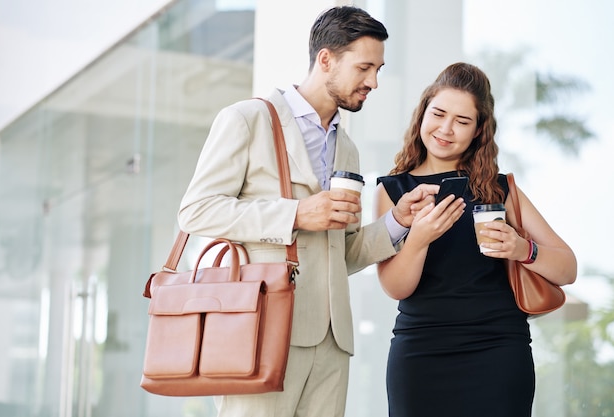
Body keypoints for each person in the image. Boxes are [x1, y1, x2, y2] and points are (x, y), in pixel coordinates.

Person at [177, 6, 433, 417]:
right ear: (326, 59)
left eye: (379, 69)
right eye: (365, 67)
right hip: (260, 332)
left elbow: (341, 253)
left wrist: (396, 221)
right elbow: (196, 210)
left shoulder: (346, 146)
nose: (374, 82)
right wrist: (295, 214)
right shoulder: (248, 119)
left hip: (332, 344)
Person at [373, 62, 577, 417]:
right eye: (438, 114)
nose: (446, 129)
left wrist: (521, 248)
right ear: (422, 113)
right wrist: (420, 238)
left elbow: (568, 268)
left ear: (479, 131)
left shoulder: (500, 188)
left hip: (498, 350)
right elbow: (395, 286)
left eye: (462, 121)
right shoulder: (393, 191)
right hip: (420, 353)